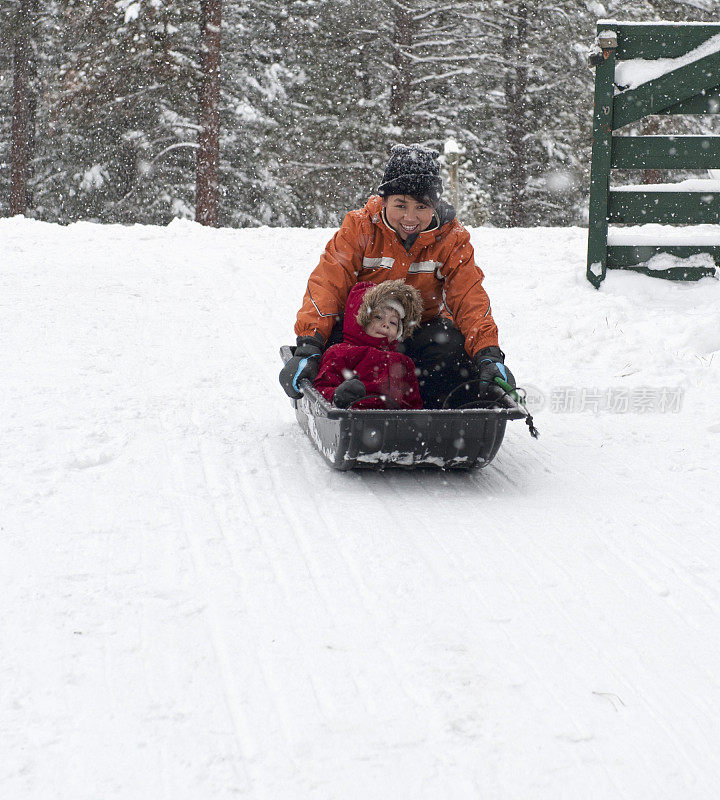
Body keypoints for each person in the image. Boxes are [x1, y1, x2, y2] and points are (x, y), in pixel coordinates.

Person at [279, 143, 515, 407]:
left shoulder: (451, 239)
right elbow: (327, 285)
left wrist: (488, 355)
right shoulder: (359, 227)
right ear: (385, 200)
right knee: (334, 353)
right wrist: (310, 345)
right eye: (400, 205)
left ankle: (436, 408)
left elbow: (470, 298)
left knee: (449, 345)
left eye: (421, 207)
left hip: (419, 330)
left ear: (435, 206)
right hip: (361, 329)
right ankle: (349, 398)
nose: (410, 218)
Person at [313, 279, 423, 410]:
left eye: (393, 322)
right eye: (378, 317)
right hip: (352, 420)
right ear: (363, 319)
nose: (386, 324)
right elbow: (319, 390)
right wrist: (337, 396)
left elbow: (413, 404)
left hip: (394, 425)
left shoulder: (403, 362)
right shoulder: (340, 353)